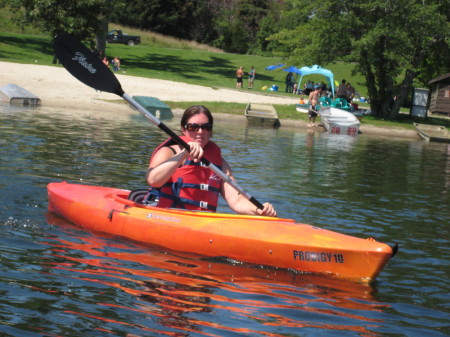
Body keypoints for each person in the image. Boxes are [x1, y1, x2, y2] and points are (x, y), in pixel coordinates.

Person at [146, 105, 277, 217]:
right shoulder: (169, 152)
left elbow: (236, 200)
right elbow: (153, 180)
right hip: (167, 216)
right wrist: (184, 154)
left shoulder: (220, 163)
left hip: (201, 222)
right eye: (193, 127)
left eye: (206, 127)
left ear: (211, 131)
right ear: (184, 129)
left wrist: (258, 210)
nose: (200, 131)